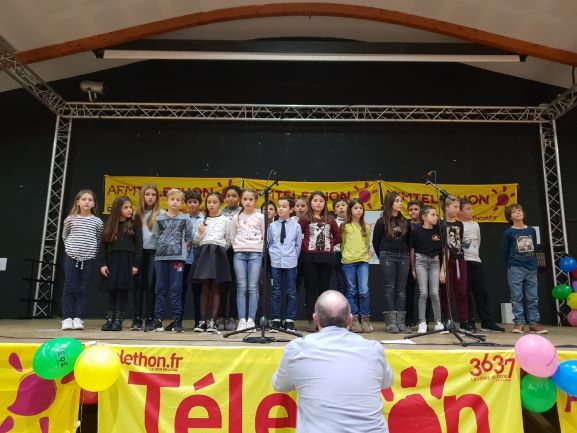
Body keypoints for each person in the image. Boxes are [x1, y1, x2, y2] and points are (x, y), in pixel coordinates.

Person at [272, 290, 394, 433]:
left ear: (315, 319)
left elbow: (279, 385)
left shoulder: (297, 349)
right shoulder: (374, 349)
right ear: (350, 320)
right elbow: (387, 383)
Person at [146, 189, 193, 333]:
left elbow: (189, 237)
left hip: (178, 259)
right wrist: (163, 248)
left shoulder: (185, 219)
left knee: (176, 289)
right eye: (172, 199)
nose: (175, 202)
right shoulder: (159, 219)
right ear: (167, 200)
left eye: (178, 200)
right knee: (159, 289)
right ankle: (158, 320)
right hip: (161, 258)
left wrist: (182, 250)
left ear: (182, 202)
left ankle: (177, 320)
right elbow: (155, 236)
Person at [298, 191, 342, 332]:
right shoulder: (305, 219)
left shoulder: (330, 219)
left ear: (325, 203)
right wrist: (305, 245)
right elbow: (297, 235)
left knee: (324, 290)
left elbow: (338, 237)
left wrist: (328, 243)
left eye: (321, 201)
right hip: (308, 258)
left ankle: (323, 320)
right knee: (310, 289)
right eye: (315, 200)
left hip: (326, 258)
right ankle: (312, 320)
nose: (318, 203)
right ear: (310, 203)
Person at [459, 199, 505, 332]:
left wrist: (475, 255)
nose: (471, 211)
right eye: (468, 209)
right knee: (466, 292)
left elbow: (478, 241)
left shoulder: (475, 224)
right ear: (459, 211)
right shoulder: (457, 224)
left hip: (476, 260)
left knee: (481, 291)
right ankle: (470, 321)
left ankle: (487, 322)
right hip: (463, 260)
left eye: (471, 208)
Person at [501, 204, 547, 334]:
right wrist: (513, 263)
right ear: (510, 217)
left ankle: (534, 323)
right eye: (514, 212)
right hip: (516, 268)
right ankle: (519, 323)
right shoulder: (508, 232)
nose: (518, 213)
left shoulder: (531, 230)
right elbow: (504, 252)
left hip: (531, 267)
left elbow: (535, 247)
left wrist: (531, 262)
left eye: (520, 210)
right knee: (516, 297)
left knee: (533, 297)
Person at [61, 189, 103, 330]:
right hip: (72, 258)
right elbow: (65, 236)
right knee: (70, 286)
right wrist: (71, 250)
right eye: (84, 199)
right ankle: (67, 318)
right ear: (78, 202)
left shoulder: (97, 222)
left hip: (89, 259)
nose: (87, 202)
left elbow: (98, 239)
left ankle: (78, 317)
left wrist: (92, 253)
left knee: (83, 288)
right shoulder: (70, 219)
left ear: (94, 204)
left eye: (90, 200)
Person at [190, 192, 231, 332]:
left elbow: (228, 240)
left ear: (220, 204)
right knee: (204, 287)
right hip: (204, 253)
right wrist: (199, 233)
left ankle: (213, 321)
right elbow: (196, 241)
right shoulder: (202, 220)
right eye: (209, 202)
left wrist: (220, 250)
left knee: (215, 287)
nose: (211, 205)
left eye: (214, 202)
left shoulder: (225, 220)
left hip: (218, 253)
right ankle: (202, 321)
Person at [99, 196, 142, 331]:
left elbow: (139, 245)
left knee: (123, 289)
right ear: (118, 209)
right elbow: (103, 246)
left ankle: (119, 318)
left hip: (127, 260)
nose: (129, 210)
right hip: (112, 260)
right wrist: (103, 263)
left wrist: (136, 264)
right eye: (126, 207)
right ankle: (110, 317)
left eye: (130, 207)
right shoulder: (109, 225)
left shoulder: (134, 225)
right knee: (112, 289)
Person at [372, 192, 411, 333]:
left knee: (401, 290)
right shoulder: (381, 221)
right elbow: (375, 242)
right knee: (389, 288)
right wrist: (383, 255)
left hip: (404, 256)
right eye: (397, 201)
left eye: (401, 201)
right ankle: (391, 323)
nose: (400, 203)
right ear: (390, 203)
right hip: (387, 255)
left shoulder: (405, 221)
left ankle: (400, 322)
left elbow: (408, 241)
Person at [230, 189, 265, 331]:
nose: (248, 202)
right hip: (239, 254)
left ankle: (251, 319)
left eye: (251, 199)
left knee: (253, 287)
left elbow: (265, 235)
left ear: (255, 201)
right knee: (241, 287)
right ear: (241, 201)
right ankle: (241, 320)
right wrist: (238, 247)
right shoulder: (236, 217)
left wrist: (258, 249)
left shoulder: (260, 217)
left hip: (255, 254)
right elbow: (232, 236)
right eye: (245, 199)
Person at [131, 183, 163, 331]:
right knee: (138, 286)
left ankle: (150, 317)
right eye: (147, 194)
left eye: (153, 195)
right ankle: (137, 318)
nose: (150, 197)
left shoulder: (161, 213)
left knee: (150, 285)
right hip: (138, 253)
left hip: (153, 253)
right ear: (142, 196)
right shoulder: (136, 214)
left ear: (157, 197)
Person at [268, 196, 302, 331]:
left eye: (284, 206)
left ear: (291, 209)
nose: (280, 209)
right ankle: (276, 319)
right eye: (279, 206)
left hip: (290, 262)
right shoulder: (272, 226)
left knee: (291, 292)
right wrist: (272, 255)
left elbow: (298, 245)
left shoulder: (296, 226)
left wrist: (293, 257)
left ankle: (289, 320)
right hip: (275, 261)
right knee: (275, 291)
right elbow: (270, 243)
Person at [410, 206, 445, 334]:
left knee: (434, 293)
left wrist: (443, 270)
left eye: (436, 215)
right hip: (421, 261)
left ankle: (438, 322)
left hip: (435, 262)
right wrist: (413, 269)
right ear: (424, 217)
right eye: (433, 215)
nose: (436, 217)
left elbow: (444, 251)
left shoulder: (439, 231)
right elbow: (412, 250)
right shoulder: (416, 231)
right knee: (423, 292)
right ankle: (422, 322)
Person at [341, 199, 373, 333]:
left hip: (362, 261)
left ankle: (365, 319)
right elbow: (342, 243)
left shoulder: (366, 227)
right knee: (351, 291)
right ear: (350, 210)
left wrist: (366, 254)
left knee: (364, 291)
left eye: (361, 208)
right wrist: (346, 255)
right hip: (348, 262)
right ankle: (354, 320)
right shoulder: (345, 226)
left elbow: (367, 244)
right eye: (355, 208)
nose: (358, 210)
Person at [177, 189, 204, 330]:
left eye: (195, 202)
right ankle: (178, 321)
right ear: (186, 203)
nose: (192, 204)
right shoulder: (182, 218)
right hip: (183, 259)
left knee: (197, 292)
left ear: (200, 203)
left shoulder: (204, 219)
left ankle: (199, 321)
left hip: (197, 260)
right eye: (189, 202)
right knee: (180, 290)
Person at [442, 196, 470, 331]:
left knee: (461, 291)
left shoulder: (460, 224)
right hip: (446, 260)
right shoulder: (441, 224)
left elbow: (459, 240)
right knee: (446, 292)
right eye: (455, 207)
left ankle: (464, 320)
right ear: (446, 208)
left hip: (459, 259)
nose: (457, 209)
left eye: (458, 207)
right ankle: (447, 319)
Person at [218, 185, 242, 331]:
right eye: (228, 196)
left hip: (237, 251)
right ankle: (220, 316)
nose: (231, 198)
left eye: (234, 196)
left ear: (239, 198)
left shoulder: (242, 212)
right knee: (222, 285)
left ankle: (233, 316)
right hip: (222, 252)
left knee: (234, 285)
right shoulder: (220, 212)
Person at [405, 199, 423, 327]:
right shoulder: (406, 225)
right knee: (409, 290)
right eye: (410, 210)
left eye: (416, 209)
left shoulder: (426, 225)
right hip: (408, 261)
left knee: (425, 291)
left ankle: (424, 319)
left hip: (424, 259)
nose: (413, 212)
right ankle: (409, 317)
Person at [332, 197, 348, 295]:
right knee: (341, 282)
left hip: (352, 255)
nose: (341, 208)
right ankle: (341, 302)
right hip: (338, 254)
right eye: (337, 206)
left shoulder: (354, 222)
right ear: (335, 211)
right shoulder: (332, 222)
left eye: (343, 205)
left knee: (352, 283)